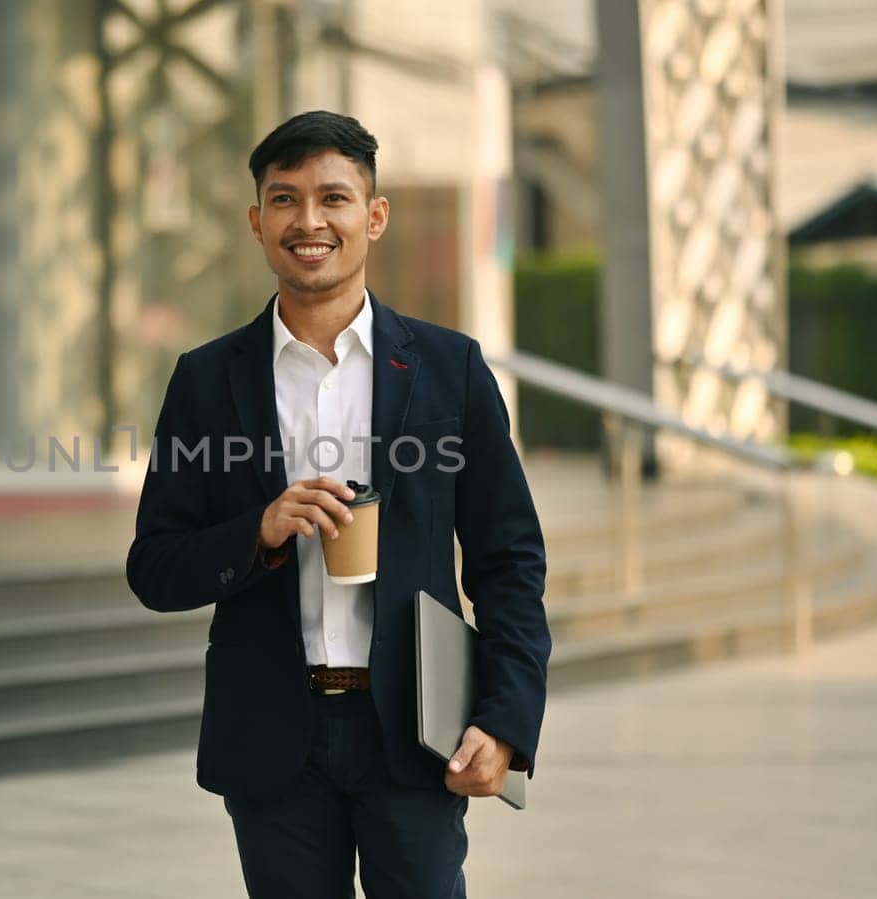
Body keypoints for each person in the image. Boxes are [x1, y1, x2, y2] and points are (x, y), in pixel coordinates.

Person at [125, 110, 550, 898]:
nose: (309, 220)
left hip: (417, 729)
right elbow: (153, 566)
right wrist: (257, 530)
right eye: (284, 200)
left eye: (334, 198)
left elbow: (510, 559)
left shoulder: (449, 369)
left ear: (374, 216)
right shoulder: (207, 379)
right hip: (273, 735)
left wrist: (507, 717)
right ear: (257, 222)